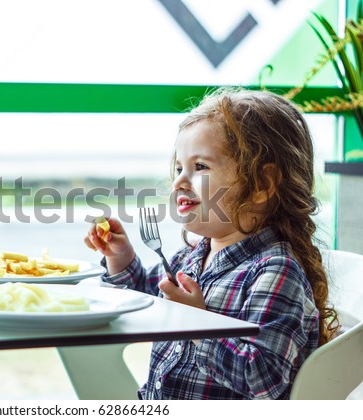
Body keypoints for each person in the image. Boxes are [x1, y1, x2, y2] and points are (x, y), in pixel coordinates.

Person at [84, 87, 338, 400]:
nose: (178, 181)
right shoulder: (191, 257)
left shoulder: (275, 271)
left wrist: (196, 325)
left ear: (262, 184)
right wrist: (121, 259)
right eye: (179, 168)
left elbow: (263, 377)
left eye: (200, 167)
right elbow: (145, 298)